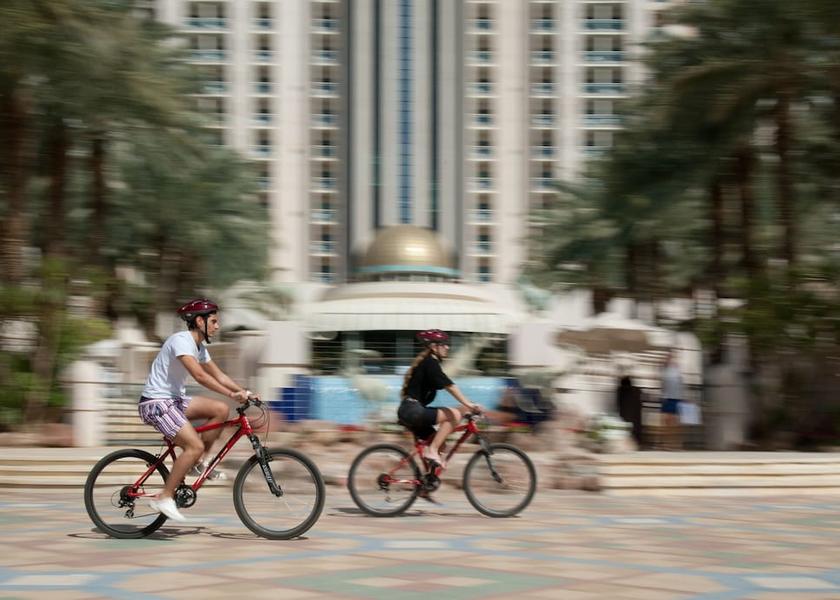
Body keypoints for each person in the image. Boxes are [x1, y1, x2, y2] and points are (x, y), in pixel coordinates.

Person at [138, 299, 258, 521]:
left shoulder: (199, 347)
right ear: (200, 321)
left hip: (173, 400)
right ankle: (164, 497)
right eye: (213, 321)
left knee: (220, 409)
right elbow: (200, 376)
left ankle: (198, 463)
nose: (217, 326)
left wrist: (245, 391)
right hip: (156, 403)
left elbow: (219, 375)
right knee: (193, 445)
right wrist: (233, 395)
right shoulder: (181, 340)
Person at [397, 329, 483, 469]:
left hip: (412, 411)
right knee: (454, 414)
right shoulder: (430, 362)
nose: (447, 347)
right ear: (433, 346)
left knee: (441, 444)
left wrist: (467, 408)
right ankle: (431, 452)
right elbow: (450, 386)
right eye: (444, 344)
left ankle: (426, 484)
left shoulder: (428, 362)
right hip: (412, 410)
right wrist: (469, 404)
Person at [659, 350, 684, 450]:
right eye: (668, 357)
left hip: (675, 398)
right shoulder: (664, 370)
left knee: (675, 422)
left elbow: (680, 384)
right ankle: (666, 444)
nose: (669, 359)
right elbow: (662, 385)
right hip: (667, 398)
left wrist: (683, 398)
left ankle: (676, 444)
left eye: (670, 357)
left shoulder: (676, 369)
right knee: (666, 422)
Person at [616, 375, 643, 448]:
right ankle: (636, 443)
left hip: (626, 417)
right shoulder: (636, 391)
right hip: (635, 418)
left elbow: (618, 404)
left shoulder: (620, 391)